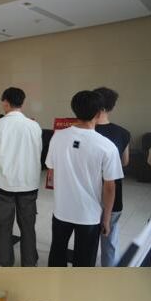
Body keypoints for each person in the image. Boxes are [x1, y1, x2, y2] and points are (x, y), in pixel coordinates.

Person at [45, 90, 121, 267]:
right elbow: (110, 187)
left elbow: (51, 168)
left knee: (57, 253)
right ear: (99, 113)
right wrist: (106, 218)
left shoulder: (58, 137)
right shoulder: (107, 146)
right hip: (89, 215)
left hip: (61, 210)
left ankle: (53, 281)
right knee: (84, 260)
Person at [0, 87, 43, 267]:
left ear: (5, 102)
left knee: (5, 225)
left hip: (5, 184)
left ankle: (4, 262)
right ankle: (30, 262)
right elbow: (38, 152)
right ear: (23, 102)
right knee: (28, 226)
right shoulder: (34, 126)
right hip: (29, 184)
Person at [92, 87, 131, 267]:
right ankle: (109, 273)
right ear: (112, 107)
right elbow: (125, 162)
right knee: (110, 240)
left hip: (88, 195)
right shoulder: (123, 133)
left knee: (87, 241)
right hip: (114, 196)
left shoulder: (85, 131)